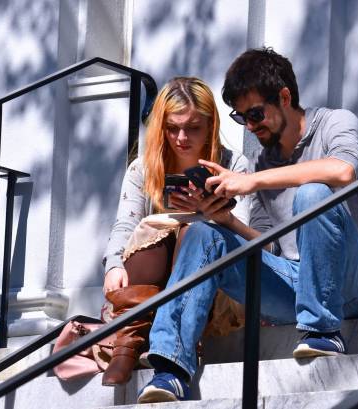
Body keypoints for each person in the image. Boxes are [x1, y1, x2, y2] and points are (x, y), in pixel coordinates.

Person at [136, 48, 358, 403]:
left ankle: (324, 331)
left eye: (256, 113)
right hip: (295, 283)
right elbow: (269, 246)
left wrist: (252, 182)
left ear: (285, 97)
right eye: (242, 117)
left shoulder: (337, 123)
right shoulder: (264, 163)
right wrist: (223, 219)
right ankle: (171, 368)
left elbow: (343, 171)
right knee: (204, 233)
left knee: (312, 195)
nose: (251, 125)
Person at [100, 76, 250, 386]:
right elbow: (124, 225)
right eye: (172, 127)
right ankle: (130, 340)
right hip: (152, 277)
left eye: (193, 127)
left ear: (210, 125)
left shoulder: (234, 164)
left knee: (192, 233)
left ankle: (166, 338)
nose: (181, 137)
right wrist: (112, 265)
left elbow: (246, 239)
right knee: (149, 229)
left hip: (212, 287)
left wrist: (215, 216)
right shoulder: (144, 167)